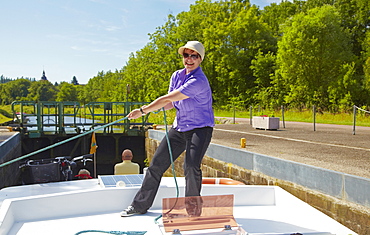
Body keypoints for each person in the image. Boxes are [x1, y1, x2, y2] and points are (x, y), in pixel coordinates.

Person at [120, 41, 214, 216]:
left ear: (200, 59)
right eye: (186, 55)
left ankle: (193, 212)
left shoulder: (199, 81)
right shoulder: (176, 76)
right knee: (156, 165)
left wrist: (142, 111)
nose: (189, 59)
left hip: (200, 129)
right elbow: (170, 104)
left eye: (194, 56)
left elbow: (167, 98)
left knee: (191, 166)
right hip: (180, 128)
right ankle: (139, 206)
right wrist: (153, 109)